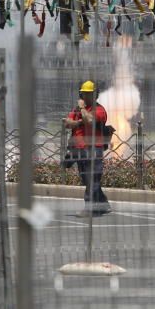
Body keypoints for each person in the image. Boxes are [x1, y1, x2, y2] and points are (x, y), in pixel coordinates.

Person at [64, 80, 111, 217]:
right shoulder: (76, 110)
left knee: (92, 179)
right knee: (87, 180)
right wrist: (79, 121)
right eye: (84, 94)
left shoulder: (100, 110)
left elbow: (89, 120)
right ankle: (103, 203)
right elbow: (67, 123)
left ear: (95, 95)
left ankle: (90, 208)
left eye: (90, 94)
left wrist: (82, 111)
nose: (86, 97)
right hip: (79, 149)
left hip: (94, 149)